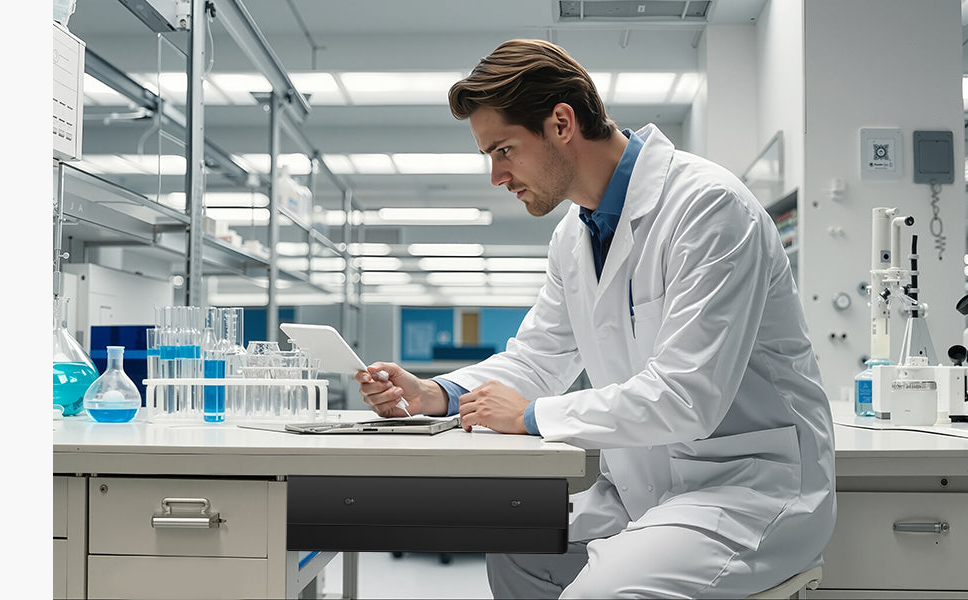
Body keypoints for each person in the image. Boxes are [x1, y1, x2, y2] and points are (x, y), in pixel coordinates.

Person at [355, 39, 835, 598]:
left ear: (561, 123)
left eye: (503, 150)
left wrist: (532, 416)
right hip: (643, 488)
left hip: (745, 488)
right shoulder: (574, 235)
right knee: (516, 550)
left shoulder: (709, 208)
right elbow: (539, 356)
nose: (496, 176)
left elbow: (687, 395)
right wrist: (437, 394)